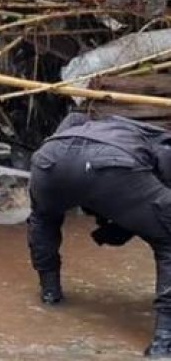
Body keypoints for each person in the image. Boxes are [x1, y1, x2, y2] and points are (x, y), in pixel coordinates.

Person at [28, 112, 171, 357]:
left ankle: (50, 293)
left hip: (48, 160)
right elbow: (159, 195)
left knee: (43, 220)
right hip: (111, 165)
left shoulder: (79, 125)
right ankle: (164, 341)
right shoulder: (160, 139)